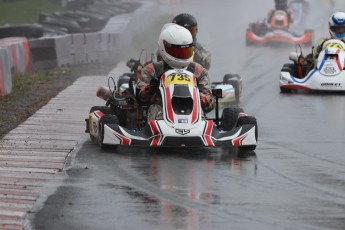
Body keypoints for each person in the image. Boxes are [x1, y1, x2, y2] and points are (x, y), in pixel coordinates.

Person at [137, 23, 215, 121]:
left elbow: (210, 104)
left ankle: (197, 129)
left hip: (192, 115)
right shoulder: (152, 70)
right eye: (177, 51)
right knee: (155, 108)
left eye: (185, 51)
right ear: (163, 47)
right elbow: (140, 99)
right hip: (161, 117)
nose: (181, 55)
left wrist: (194, 94)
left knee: (201, 114)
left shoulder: (198, 71)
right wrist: (152, 88)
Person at [297, 12, 345, 77]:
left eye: (343, 29)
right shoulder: (323, 41)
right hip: (322, 68)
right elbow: (313, 57)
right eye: (337, 28)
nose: (340, 31)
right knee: (307, 61)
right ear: (331, 28)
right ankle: (307, 76)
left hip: (343, 69)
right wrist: (306, 62)